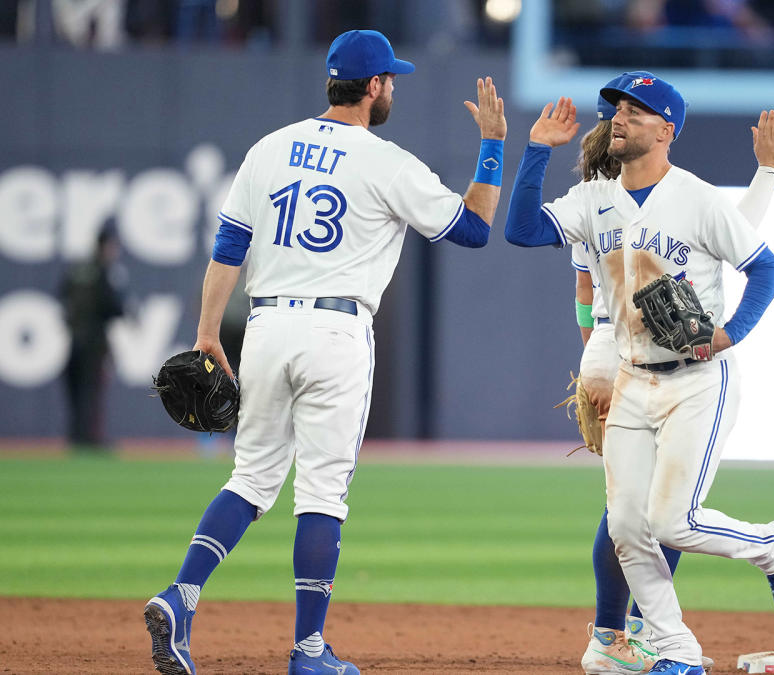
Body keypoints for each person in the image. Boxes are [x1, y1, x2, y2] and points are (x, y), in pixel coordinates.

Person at [142, 29, 506, 675]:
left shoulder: (269, 148)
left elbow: (229, 246)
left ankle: (181, 595)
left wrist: (205, 333)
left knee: (250, 479)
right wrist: (494, 146)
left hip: (263, 326)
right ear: (372, 87)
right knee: (321, 494)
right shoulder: (386, 160)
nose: (393, 86)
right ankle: (308, 650)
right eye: (390, 79)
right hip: (336, 333)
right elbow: (474, 229)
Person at [507, 72, 774, 675]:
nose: (620, 117)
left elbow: (768, 270)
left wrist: (727, 334)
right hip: (630, 376)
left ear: (667, 130)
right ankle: (677, 651)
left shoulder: (698, 198)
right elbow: (521, 230)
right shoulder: (595, 199)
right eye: (617, 108)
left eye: (637, 111)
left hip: (698, 380)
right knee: (625, 525)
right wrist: (537, 150)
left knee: (673, 520)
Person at [60, 225, 126, 453]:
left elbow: (62, 295)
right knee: (93, 388)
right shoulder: (103, 271)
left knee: (76, 388)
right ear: (106, 246)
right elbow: (113, 305)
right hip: (95, 340)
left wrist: (72, 320)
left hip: (75, 337)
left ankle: (76, 436)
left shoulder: (79, 268)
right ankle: (91, 438)